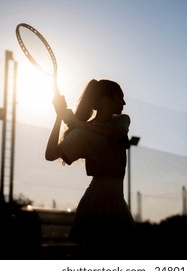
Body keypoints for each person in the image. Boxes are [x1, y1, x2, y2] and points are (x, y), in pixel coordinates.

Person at [45, 79, 136, 257]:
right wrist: (58, 118)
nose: (124, 103)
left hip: (117, 197)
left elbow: (117, 135)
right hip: (97, 200)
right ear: (105, 100)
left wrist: (78, 124)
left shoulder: (121, 121)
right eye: (120, 97)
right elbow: (50, 155)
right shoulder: (82, 133)